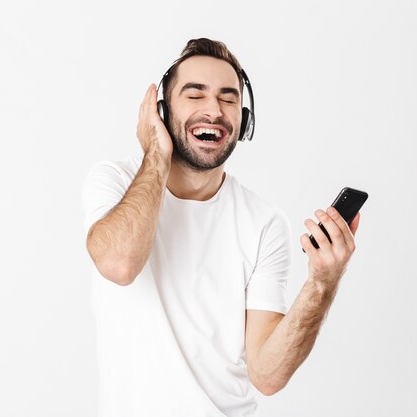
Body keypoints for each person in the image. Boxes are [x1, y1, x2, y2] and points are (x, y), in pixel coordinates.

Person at [82, 38, 361, 417]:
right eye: (195, 95)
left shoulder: (263, 222)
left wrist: (322, 283)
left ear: (244, 120)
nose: (214, 110)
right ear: (161, 113)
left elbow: (267, 375)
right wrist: (157, 153)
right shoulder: (113, 182)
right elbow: (119, 264)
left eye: (229, 99)